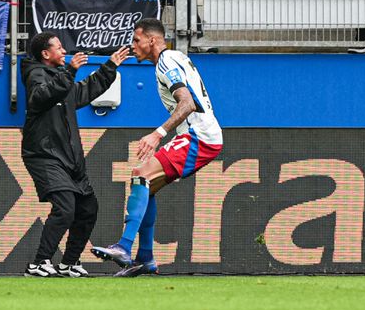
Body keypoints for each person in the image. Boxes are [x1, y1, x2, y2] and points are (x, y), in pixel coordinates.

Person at [91, 18, 224, 277]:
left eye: (136, 40)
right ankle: (145, 259)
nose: (133, 46)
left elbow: (187, 104)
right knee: (145, 185)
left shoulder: (166, 62)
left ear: (152, 40)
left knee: (141, 175)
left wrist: (158, 134)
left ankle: (124, 247)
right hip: (201, 134)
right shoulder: (174, 58)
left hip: (200, 135)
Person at [21, 32, 130, 278]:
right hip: (44, 155)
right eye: (58, 48)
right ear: (45, 54)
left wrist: (109, 66)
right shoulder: (34, 74)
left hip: (70, 159)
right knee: (65, 207)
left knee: (88, 208)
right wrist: (69, 72)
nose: (64, 51)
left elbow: (84, 91)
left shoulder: (62, 79)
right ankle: (39, 263)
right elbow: (41, 96)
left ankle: (68, 263)